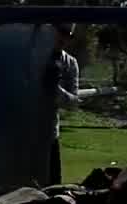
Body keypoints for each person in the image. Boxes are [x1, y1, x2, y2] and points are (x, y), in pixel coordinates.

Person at [49, 23, 81, 186]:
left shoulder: (70, 63)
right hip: (21, 133)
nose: (63, 38)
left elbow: (73, 103)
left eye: (68, 34)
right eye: (60, 32)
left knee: (52, 187)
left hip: (49, 135)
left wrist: (55, 88)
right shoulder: (29, 56)